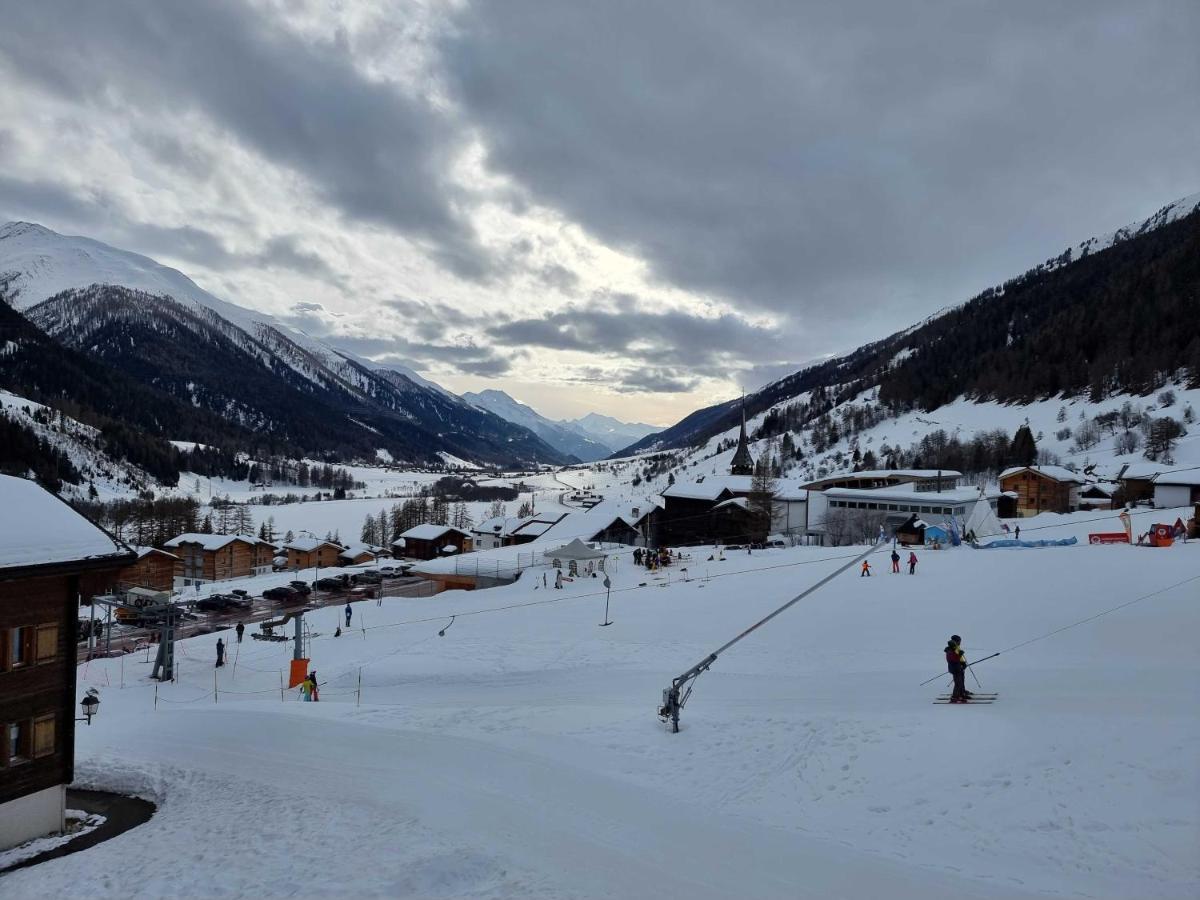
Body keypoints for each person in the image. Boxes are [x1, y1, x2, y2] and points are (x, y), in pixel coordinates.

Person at [945, 634, 970, 702]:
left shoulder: (955, 648)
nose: (960, 642)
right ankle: (954, 697)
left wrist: (962, 663)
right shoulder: (950, 650)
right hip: (955, 668)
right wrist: (959, 655)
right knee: (958, 683)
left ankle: (961, 694)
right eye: (959, 641)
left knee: (961, 681)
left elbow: (957, 658)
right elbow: (952, 659)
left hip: (958, 667)